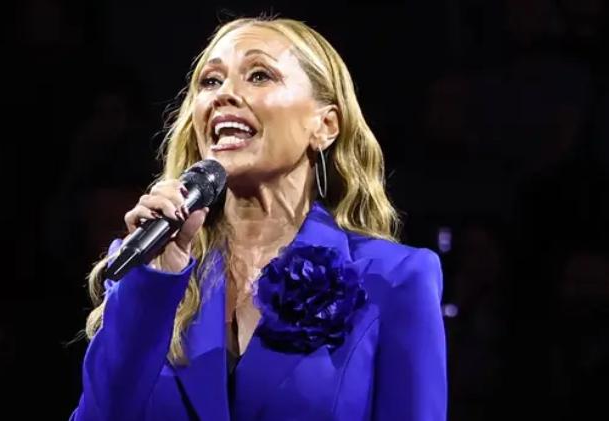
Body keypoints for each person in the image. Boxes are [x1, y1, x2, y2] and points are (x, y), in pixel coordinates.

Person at [70, 16, 446, 421]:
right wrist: (153, 284)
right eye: (211, 81)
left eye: (259, 75)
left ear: (324, 126)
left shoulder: (395, 279)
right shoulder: (153, 269)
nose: (224, 94)